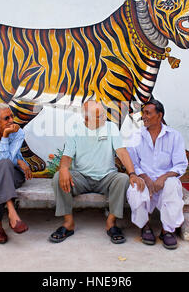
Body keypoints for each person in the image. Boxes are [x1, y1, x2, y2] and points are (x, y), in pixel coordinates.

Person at [49, 100, 145, 244]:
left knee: (122, 179)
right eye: (99, 116)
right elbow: (67, 156)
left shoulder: (111, 128)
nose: (104, 117)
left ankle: (111, 223)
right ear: (87, 118)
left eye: (104, 114)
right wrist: (63, 169)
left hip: (107, 177)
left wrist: (132, 173)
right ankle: (68, 223)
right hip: (81, 177)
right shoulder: (76, 130)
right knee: (58, 177)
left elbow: (122, 152)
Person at [126, 99, 188, 250]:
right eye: (143, 113)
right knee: (135, 189)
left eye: (148, 113)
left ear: (159, 116)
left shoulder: (174, 136)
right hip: (144, 178)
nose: (144, 116)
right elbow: (133, 163)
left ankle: (167, 231)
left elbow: (180, 164)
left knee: (173, 185)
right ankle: (145, 226)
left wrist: (164, 177)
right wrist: (145, 178)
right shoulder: (136, 136)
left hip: (165, 181)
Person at [0, 103, 33, 244]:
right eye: (6, 118)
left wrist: (14, 161)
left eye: (11, 116)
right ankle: (12, 211)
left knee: (2, 172)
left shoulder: (18, 132)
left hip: (14, 173)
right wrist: (5, 137)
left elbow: (7, 160)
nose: (11, 120)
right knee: (0, 169)